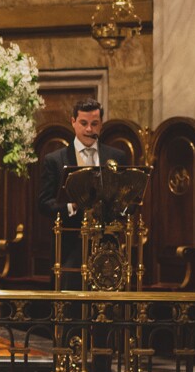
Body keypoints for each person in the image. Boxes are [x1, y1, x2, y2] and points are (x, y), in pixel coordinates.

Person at [36, 99, 130, 274]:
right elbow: (43, 204)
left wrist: (120, 208)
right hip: (69, 248)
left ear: (101, 124)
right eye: (84, 123)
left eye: (94, 124)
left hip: (107, 246)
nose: (89, 129)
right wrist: (72, 206)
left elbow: (127, 201)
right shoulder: (54, 160)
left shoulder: (117, 157)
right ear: (73, 122)